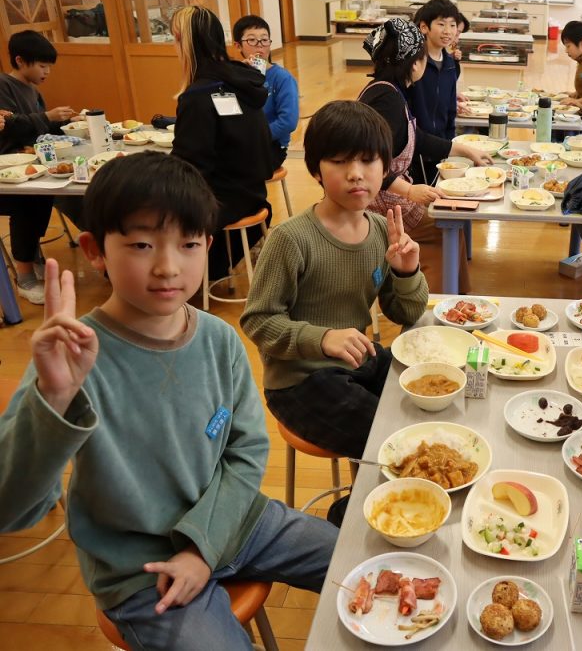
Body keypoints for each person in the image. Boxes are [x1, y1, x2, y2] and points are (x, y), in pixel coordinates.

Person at [0, 151, 337, 648]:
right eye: (141, 244)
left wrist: (202, 550)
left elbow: (245, 452)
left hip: (233, 519)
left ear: (208, 246)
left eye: (189, 244)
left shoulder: (219, 340)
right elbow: (10, 509)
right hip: (141, 569)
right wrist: (53, 399)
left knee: (361, 559)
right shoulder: (69, 358)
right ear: (94, 249)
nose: (168, 267)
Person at [241, 100, 428, 459]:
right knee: (393, 441)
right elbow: (258, 321)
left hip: (357, 361)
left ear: (385, 167)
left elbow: (405, 313)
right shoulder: (291, 239)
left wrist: (406, 271)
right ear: (316, 171)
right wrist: (322, 338)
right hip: (299, 381)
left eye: (368, 160)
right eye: (340, 162)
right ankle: (367, 495)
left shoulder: (380, 230)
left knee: (428, 392)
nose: (356, 173)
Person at [357, 18, 489, 292]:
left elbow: (416, 138)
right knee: (445, 226)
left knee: (451, 222)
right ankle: (434, 301)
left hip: (387, 192)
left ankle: (454, 295)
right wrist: (409, 191)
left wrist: (464, 150)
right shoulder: (387, 99)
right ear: (414, 64)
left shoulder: (388, 90)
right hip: (380, 200)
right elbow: (368, 164)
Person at [170, 5, 274, 281]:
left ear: (184, 42)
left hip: (222, 203)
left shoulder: (198, 95)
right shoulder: (241, 79)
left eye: (175, 39)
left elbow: (190, 167)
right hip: (253, 193)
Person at [0, 31, 77, 305]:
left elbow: (39, 128)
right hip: (7, 172)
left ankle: (32, 255)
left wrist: (65, 122)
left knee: (50, 189)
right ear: (20, 61)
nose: (47, 72)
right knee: (30, 198)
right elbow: (11, 126)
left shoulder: (33, 90)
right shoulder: (3, 85)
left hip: (30, 165)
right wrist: (46, 116)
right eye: (42, 66)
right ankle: (24, 276)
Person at [232, 14, 298, 171]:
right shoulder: (234, 75)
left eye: (264, 39)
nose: (259, 45)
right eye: (252, 40)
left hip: (271, 146)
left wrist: (252, 137)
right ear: (238, 46)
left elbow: (288, 122)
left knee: (228, 169)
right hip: (239, 143)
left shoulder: (282, 78)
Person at [408, 0, 462, 185]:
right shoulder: (414, 65)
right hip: (415, 149)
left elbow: (450, 109)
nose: (448, 31)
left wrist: (450, 144)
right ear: (424, 27)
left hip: (441, 147)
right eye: (441, 24)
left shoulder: (450, 64)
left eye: (452, 25)